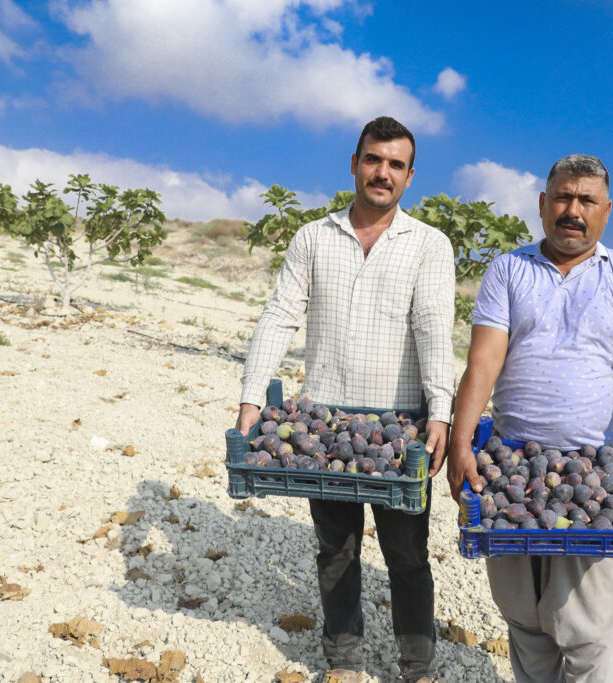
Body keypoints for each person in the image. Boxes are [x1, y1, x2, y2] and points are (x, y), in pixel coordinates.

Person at [444, 154, 613, 682]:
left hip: (598, 469)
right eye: (563, 198)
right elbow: (484, 359)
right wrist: (462, 440)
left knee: (589, 630)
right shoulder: (509, 269)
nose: (572, 211)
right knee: (525, 621)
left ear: (606, 211)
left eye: (586, 201)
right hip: (511, 466)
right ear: (543, 204)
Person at [236, 116, 455, 683]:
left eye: (396, 164)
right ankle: (344, 662)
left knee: (407, 554)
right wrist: (251, 396)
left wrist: (440, 414)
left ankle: (417, 666)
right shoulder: (313, 237)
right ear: (354, 163)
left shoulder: (429, 245)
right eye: (374, 159)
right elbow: (281, 313)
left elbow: (434, 329)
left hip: (399, 427)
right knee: (335, 550)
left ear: (410, 176)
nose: (383, 172)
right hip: (324, 425)